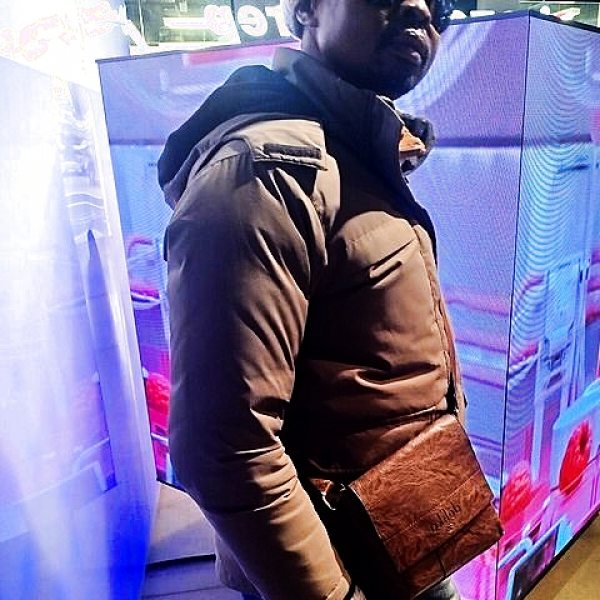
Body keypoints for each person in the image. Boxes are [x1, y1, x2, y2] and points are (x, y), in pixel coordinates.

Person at [159, 0, 465, 598]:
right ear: (304, 9)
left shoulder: (353, 150)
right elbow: (225, 447)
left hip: (402, 530)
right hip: (337, 563)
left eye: (445, 3)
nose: (420, 8)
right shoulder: (267, 173)